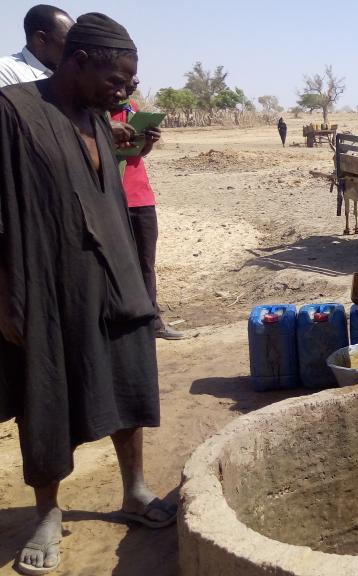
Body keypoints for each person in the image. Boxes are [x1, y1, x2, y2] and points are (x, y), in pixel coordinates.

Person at [1, 13, 176, 575]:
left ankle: (135, 490)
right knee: (48, 391)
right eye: (115, 80)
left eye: (130, 81)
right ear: (77, 62)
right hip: (48, 282)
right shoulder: (14, 111)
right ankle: (48, 513)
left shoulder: (96, 117)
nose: (124, 91)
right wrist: (4, 296)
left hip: (116, 274)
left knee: (129, 377)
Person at [110, 77, 185, 340]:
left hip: (140, 198)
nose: (134, 81)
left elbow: (137, 153)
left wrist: (149, 141)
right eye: (126, 78)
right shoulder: (92, 113)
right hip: (109, 199)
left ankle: (152, 322)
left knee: (145, 264)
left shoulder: (131, 109)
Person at [0, 5, 74, 87]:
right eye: (69, 39)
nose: (74, 46)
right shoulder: (5, 71)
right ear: (41, 38)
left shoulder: (70, 72)